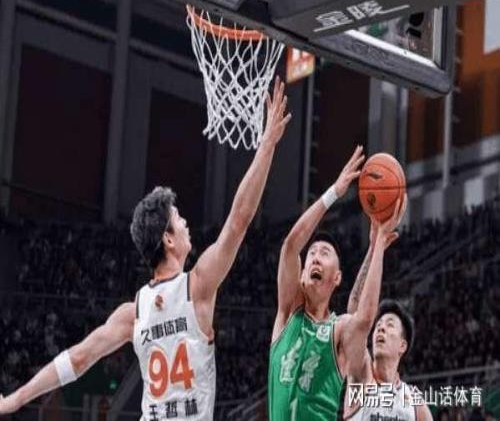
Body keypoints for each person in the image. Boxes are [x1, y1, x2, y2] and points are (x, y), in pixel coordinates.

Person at [0, 77, 291, 419]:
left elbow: (77, 359)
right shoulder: (198, 286)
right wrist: (267, 145)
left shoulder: (134, 313)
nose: (186, 223)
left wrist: (14, 399)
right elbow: (239, 219)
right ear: (168, 239)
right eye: (178, 219)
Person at [268, 145, 407, 420]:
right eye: (312, 253)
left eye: (324, 253)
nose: (315, 258)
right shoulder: (288, 313)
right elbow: (290, 246)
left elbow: (364, 318)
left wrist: (378, 244)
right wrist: (334, 192)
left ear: (337, 277)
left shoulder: (339, 330)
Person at [343, 299, 433, 420]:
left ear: (402, 346)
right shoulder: (361, 377)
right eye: (378, 325)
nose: (381, 328)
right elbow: (354, 321)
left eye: (390, 325)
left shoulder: (415, 402)